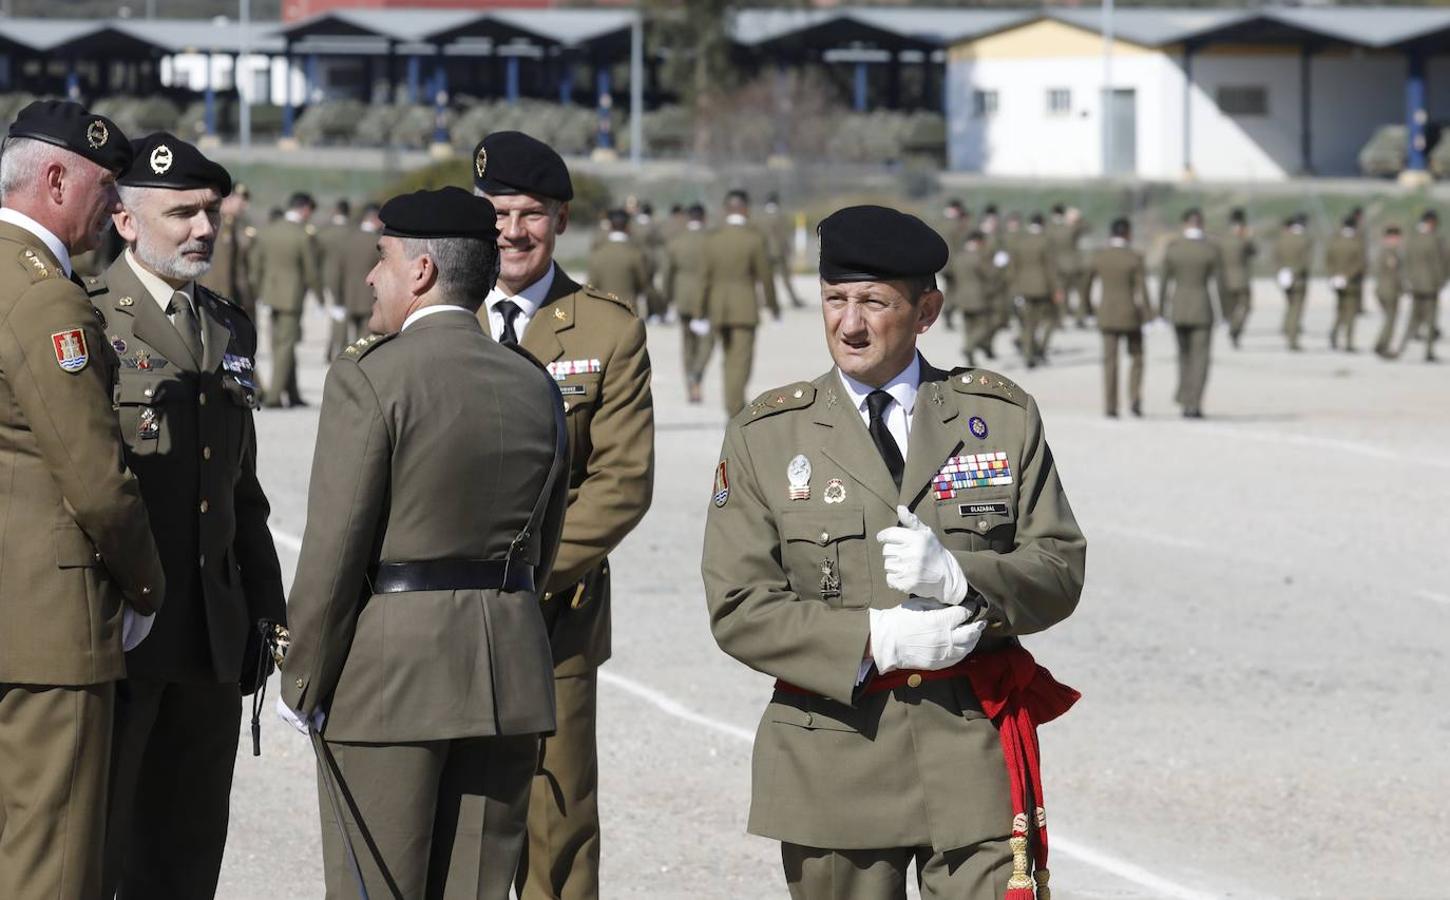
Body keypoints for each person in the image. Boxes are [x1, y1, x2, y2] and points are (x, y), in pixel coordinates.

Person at [701, 203, 1085, 900]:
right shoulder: (767, 434)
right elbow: (738, 605)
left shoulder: (998, 416)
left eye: (874, 302)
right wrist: (879, 637)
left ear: (926, 309)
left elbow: (1059, 567)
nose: (849, 323)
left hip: (969, 759)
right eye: (835, 299)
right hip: (834, 765)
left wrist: (963, 579)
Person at [278, 187, 569, 899]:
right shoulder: (535, 385)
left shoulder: (373, 376)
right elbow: (546, 541)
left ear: (421, 271)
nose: (371, 276)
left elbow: (336, 548)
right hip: (505, 674)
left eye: (383, 258)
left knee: (375, 885)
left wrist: (302, 678)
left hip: (390, 680)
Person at [88, 132, 286, 898]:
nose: (203, 228)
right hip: (124, 636)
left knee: (190, 850)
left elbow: (242, 492)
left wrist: (268, 614)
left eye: (209, 212)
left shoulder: (229, 325)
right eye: (181, 214)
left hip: (211, 634)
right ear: (128, 221)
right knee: (103, 846)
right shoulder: (90, 318)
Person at [471, 131, 655, 900]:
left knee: (558, 820)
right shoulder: (426, 312)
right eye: (497, 212)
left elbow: (623, 479)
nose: (513, 231)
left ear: (561, 219)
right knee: (464, 818)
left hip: (555, 615)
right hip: (441, 616)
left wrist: (527, 571)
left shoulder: (607, 328)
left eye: (531, 214)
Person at [0, 99, 165, 900]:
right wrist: (145, 586)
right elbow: (98, 483)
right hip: (47, 632)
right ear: (57, 178)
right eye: (107, 189)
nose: (115, 210)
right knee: (50, 863)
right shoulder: (47, 298)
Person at [705, 188, 779, 416]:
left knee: (728, 359)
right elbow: (765, 276)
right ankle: (735, 407)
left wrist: (700, 310)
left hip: (717, 305)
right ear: (745, 210)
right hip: (744, 306)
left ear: (726, 209)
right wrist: (773, 305)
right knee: (741, 360)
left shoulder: (712, 239)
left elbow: (703, 276)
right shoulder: (753, 238)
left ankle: (732, 401)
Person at [251, 191, 319, 406]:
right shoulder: (301, 235)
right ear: (305, 209)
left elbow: (255, 266)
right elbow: (310, 270)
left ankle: (292, 392)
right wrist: (319, 295)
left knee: (278, 344)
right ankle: (274, 396)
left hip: (270, 294)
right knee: (285, 346)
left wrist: (259, 291)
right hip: (292, 296)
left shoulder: (267, 232)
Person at [1087, 217, 1152, 418]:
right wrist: (1149, 313)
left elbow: (1086, 285)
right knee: (1137, 357)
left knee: (1109, 361)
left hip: (1106, 312)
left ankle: (1110, 405)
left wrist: (1089, 308)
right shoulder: (1134, 257)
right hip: (1130, 313)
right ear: (1128, 234)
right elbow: (1142, 289)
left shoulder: (1100, 256)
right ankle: (1134, 398)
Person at [1159, 208, 1221, 419]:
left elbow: (1164, 282)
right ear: (1201, 224)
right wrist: (1227, 312)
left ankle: (1185, 399)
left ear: (1184, 224)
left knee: (1183, 356)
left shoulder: (1174, 248)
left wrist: (1160, 310)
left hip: (1179, 306)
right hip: (1202, 306)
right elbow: (1220, 283)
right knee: (1200, 358)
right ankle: (1194, 403)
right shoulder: (1210, 249)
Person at [663, 202, 713, 403]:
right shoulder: (712, 241)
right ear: (704, 218)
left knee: (687, 343)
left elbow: (667, 274)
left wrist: (666, 300)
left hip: (682, 296)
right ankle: (697, 374)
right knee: (707, 341)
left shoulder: (677, 241)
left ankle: (691, 384)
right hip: (707, 296)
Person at [1007, 212, 1058, 367]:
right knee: (1051, 319)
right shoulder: (1046, 241)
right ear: (1043, 224)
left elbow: (1013, 267)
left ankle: (1028, 354)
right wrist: (1056, 288)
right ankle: (1041, 349)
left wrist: (1015, 287)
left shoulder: (1020, 241)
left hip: (1024, 286)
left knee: (1028, 323)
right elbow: (1050, 267)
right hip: (1043, 287)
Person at [198, 182, 255, 318]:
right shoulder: (221, 225)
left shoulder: (234, 224)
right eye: (241, 201)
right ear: (228, 199)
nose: (244, 206)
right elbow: (222, 269)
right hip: (218, 296)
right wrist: (224, 299)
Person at [588, 208, 657, 317]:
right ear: (627, 227)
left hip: (604, 310)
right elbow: (643, 283)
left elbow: (591, 286)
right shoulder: (635, 254)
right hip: (629, 311)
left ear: (610, 226)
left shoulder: (598, 255)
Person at [331, 202, 380, 354]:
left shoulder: (347, 240)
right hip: (369, 297)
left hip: (347, 295)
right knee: (364, 342)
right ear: (375, 218)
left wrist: (338, 299)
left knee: (346, 340)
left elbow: (337, 271)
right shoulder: (379, 241)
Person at [1397, 210, 1445, 362]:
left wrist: (1407, 281)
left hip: (1414, 284)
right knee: (1431, 319)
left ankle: (1401, 348)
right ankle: (1428, 351)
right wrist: (1442, 280)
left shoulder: (1412, 238)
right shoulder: (1435, 239)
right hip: (1431, 284)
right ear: (1431, 222)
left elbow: (1405, 261)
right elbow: (1441, 262)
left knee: (1413, 319)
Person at [952, 229, 996, 367]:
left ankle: (970, 355)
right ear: (978, 242)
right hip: (978, 296)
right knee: (984, 326)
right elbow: (989, 274)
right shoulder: (978, 257)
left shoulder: (958, 257)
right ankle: (969, 348)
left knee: (968, 327)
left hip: (961, 296)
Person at [317, 198, 353, 362]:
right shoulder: (353, 232)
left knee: (335, 314)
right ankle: (340, 348)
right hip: (350, 276)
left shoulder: (324, 232)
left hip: (328, 276)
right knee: (342, 315)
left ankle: (332, 349)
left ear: (335, 211)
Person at [1325, 214, 1366, 352]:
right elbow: (1360, 263)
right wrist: (1347, 277)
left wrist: (1333, 276)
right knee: (1351, 313)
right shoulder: (1357, 242)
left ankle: (1334, 333)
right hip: (1352, 283)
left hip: (1336, 281)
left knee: (1340, 310)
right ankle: (1348, 342)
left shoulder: (1335, 241)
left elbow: (1328, 260)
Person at [1218, 208, 1256, 349]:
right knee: (1246, 307)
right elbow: (1253, 252)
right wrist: (1249, 237)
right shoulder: (1243, 240)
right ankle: (1235, 329)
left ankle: (1232, 326)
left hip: (1225, 278)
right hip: (1241, 279)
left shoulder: (1222, 239)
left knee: (1232, 308)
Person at [1274, 213, 1312, 351]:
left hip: (1283, 277)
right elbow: (1305, 262)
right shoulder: (1304, 239)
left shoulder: (1282, 238)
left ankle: (1286, 327)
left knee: (1289, 306)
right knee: (1296, 309)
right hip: (1298, 278)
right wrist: (1294, 272)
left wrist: (1281, 273)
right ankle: (1292, 338)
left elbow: (1276, 257)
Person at [1047, 204, 1090, 327]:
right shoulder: (1070, 227)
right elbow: (1087, 228)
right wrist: (1078, 218)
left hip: (1057, 266)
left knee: (1060, 293)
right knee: (1080, 293)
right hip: (1075, 265)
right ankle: (1080, 317)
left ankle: (1060, 317)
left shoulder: (1050, 228)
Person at [764, 192, 805, 310]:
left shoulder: (762, 217)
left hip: (766, 251)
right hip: (779, 250)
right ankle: (794, 300)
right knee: (786, 278)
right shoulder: (780, 216)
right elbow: (783, 235)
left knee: (767, 278)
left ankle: (768, 301)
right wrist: (788, 249)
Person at [1373, 225, 1404, 359]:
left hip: (1383, 289)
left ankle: (1381, 344)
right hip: (1389, 290)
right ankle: (1382, 346)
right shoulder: (1390, 252)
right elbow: (1394, 273)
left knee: (1389, 319)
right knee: (1390, 319)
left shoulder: (1383, 250)